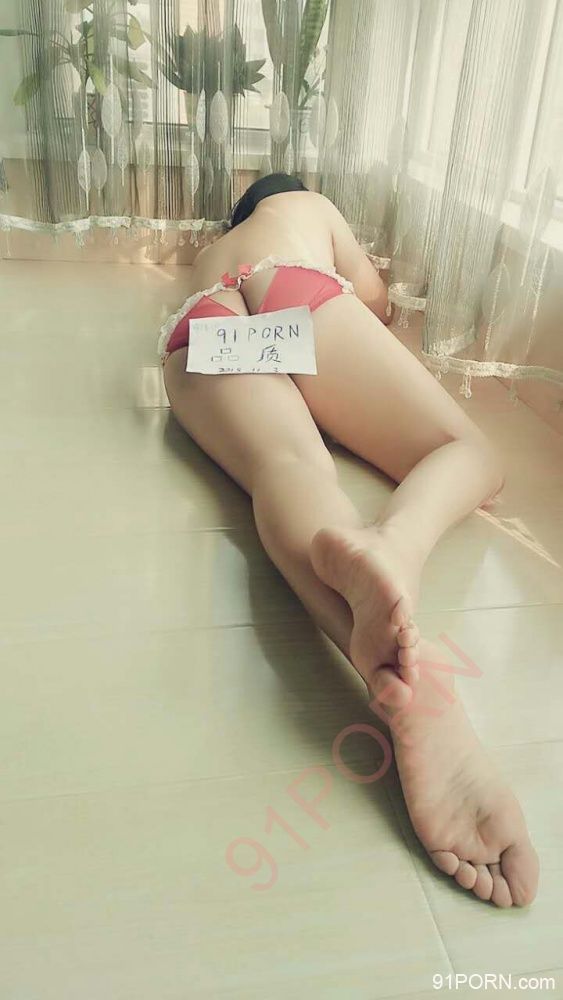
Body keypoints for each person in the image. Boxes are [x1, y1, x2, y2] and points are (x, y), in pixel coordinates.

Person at [160, 173, 539, 908]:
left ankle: (414, 691)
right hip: (287, 286)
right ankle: (396, 546)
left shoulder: (210, 255)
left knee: (287, 468)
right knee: (470, 454)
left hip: (200, 323)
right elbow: (373, 299)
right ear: (288, 191)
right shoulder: (303, 208)